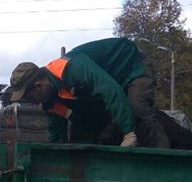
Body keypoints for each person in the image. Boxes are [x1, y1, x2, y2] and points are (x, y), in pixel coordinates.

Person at [9, 37, 169, 148]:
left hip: (130, 66)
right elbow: (57, 136)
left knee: (137, 109)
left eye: (30, 97)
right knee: (85, 126)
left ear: (38, 85)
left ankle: (165, 165)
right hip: (110, 81)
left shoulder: (72, 67)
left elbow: (110, 91)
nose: (34, 103)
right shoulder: (50, 101)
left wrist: (129, 133)